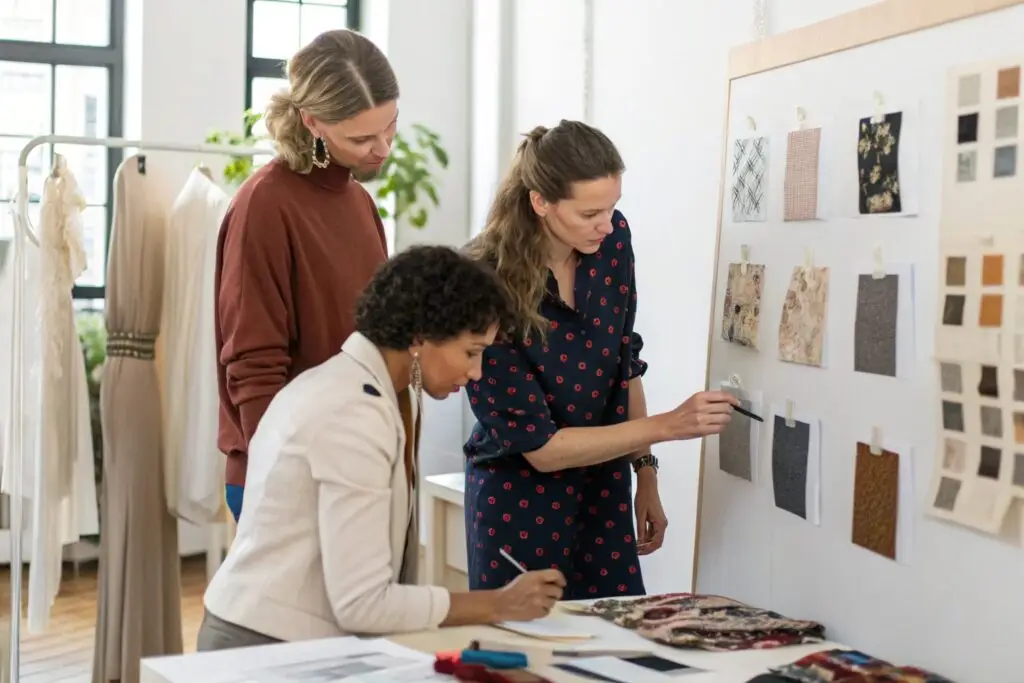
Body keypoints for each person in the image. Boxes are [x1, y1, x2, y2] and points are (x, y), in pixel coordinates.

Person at [198, 246, 567, 650]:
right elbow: (362, 603)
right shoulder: (354, 413)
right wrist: (498, 603)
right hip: (264, 647)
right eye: (472, 352)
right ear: (421, 335)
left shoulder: (342, 385)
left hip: (275, 634)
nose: (476, 372)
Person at [463, 120, 739, 599]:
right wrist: (669, 425)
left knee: (614, 646)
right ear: (540, 202)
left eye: (612, 207)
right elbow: (542, 449)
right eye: (590, 212)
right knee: (529, 656)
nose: (607, 224)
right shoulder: (485, 280)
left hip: (602, 489)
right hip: (520, 502)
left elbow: (623, 361)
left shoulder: (611, 243)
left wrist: (645, 473)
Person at [215, 29, 399, 522]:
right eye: (361, 138)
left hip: (351, 466)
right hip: (289, 476)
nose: (381, 149)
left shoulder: (359, 202)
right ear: (313, 121)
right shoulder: (265, 204)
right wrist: (284, 477)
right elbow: (253, 361)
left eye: (390, 128)